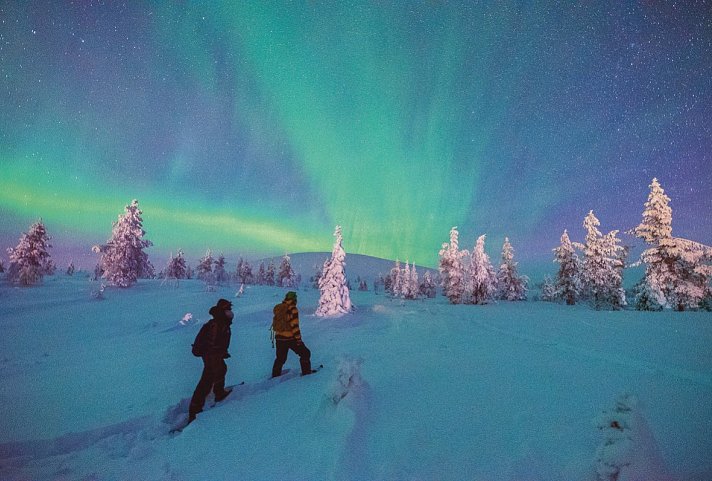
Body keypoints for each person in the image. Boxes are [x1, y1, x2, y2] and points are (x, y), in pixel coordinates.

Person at [188, 298, 234, 423]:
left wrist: (222, 352)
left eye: (230, 309)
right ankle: (194, 410)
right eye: (228, 309)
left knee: (221, 369)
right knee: (206, 381)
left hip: (214, 355)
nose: (230, 312)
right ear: (222, 311)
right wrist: (216, 353)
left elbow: (221, 341)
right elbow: (213, 342)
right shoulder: (217, 324)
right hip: (211, 355)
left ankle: (219, 392)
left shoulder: (222, 323)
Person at [272, 291, 314, 377]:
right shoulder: (292, 309)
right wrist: (298, 339)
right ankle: (306, 374)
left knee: (280, 359)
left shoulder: (280, 308)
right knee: (305, 353)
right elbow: (294, 326)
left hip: (279, 338)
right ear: (294, 299)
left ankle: (275, 376)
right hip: (290, 338)